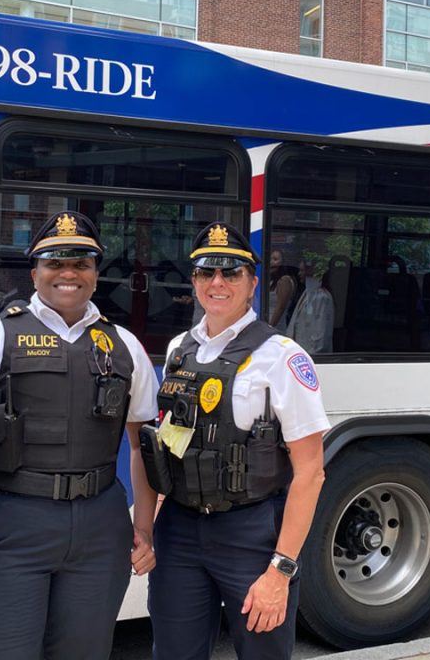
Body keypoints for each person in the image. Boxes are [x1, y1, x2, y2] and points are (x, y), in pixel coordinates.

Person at [0, 211, 158, 660]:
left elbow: (143, 447)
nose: (68, 273)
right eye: (55, 262)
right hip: (10, 524)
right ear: (35, 272)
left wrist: (144, 528)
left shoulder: (124, 345)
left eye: (82, 263)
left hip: (99, 529)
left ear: (95, 273)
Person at [146, 222, 329, 660]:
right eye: (207, 273)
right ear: (193, 282)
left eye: (231, 273)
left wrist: (281, 570)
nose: (218, 283)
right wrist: (149, 524)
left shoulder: (282, 357)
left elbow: (311, 472)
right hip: (180, 529)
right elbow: (171, 440)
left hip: (252, 533)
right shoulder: (179, 351)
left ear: (251, 284)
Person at [287, 261, 334, 354]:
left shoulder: (322, 297)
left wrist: (313, 354)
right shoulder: (307, 293)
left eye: (302, 270)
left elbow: (321, 331)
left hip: (312, 354)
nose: (299, 274)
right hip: (300, 350)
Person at [268, 249, 299, 331]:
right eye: (269, 259)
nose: (271, 262)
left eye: (275, 259)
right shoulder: (270, 282)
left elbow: (280, 307)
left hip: (275, 327)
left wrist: (269, 328)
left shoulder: (285, 281)